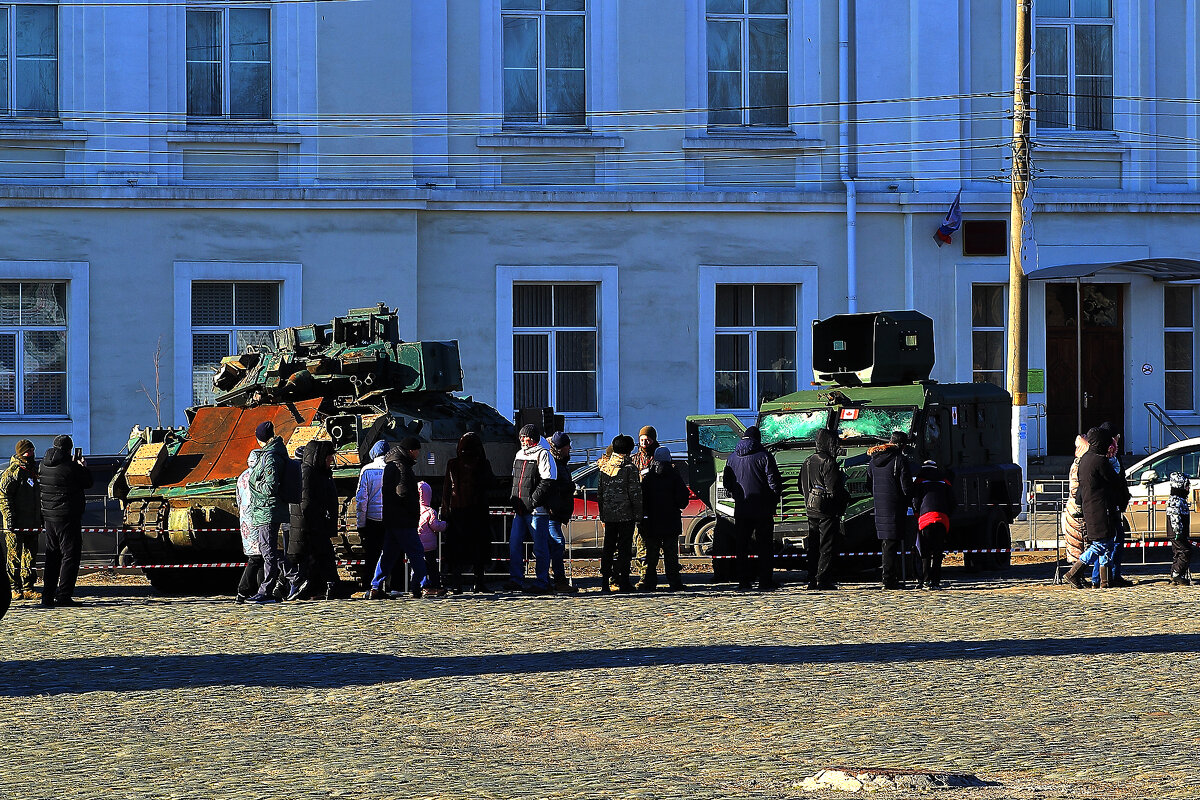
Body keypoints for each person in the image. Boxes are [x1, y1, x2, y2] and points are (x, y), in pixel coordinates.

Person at [1062, 426, 1130, 589]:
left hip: (1092, 507)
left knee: (1107, 544)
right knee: (1100, 545)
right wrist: (1113, 462)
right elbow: (1114, 479)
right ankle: (1074, 573)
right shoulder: (1099, 460)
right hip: (1100, 508)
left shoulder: (1085, 459)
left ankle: (1105, 581)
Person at [371, 438, 436, 599]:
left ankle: (375, 586)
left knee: (388, 554)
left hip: (392, 518)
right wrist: (412, 511)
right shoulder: (402, 467)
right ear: (410, 450)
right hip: (404, 519)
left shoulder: (392, 465)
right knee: (416, 552)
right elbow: (404, 493)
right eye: (417, 450)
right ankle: (423, 585)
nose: (418, 453)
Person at [722, 426, 782, 591]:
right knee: (765, 547)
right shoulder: (765, 456)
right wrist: (774, 500)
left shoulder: (731, 458)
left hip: (741, 509)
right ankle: (765, 581)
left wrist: (737, 494)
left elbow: (727, 482)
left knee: (742, 547)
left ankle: (743, 581)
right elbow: (774, 483)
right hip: (762, 509)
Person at [38, 434, 94, 607]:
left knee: (52, 556)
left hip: (49, 517)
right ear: (69, 450)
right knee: (70, 556)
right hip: (67, 517)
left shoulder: (43, 465)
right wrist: (83, 467)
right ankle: (63, 595)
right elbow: (88, 482)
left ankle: (47, 596)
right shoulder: (71, 467)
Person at [246, 421, 297, 605]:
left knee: (268, 552)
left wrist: (253, 484)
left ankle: (266, 590)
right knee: (269, 550)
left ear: (261, 438)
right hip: (264, 510)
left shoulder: (271, 457)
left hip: (268, 509)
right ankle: (294, 577)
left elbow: (270, 486)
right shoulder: (270, 454)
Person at [440, 431, 495, 593]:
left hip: (458, 514)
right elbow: (492, 483)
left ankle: (457, 584)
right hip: (478, 514)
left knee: (457, 551)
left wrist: (445, 513)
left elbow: (446, 492)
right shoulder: (483, 464)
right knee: (478, 549)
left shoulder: (453, 464)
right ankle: (479, 583)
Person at [507, 423, 556, 593]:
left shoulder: (543, 454)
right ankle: (516, 579)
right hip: (520, 510)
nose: (522, 439)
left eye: (525, 437)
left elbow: (547, 481)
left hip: (536, 511)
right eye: (521, 437)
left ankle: (542, 581)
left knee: (540, 547)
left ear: (533, 439)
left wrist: (532, 501)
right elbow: (515, 480)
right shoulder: (520, 454)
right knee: (514, 545)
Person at [799, 428, 848, 590]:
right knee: (826, 545)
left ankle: (812, 577)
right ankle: (823, 578)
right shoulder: (828, 462)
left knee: (813, 545)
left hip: (810, 508)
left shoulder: (807, 460)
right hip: (826, 510)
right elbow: (834, 490)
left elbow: (800, 486)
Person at [296, 440, 342, 600]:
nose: (331, 461)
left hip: (319, 523)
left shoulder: (321, 473)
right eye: (329, 457)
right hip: (312, 524)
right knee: (320, 557)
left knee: (322, 557)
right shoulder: (308, 472)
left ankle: (324, 587)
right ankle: (329, 586)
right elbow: (306, 501)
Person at [867, 431, 913, 590]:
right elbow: (906, 487)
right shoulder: (900, 460)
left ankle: (889, 577)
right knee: (892, 544)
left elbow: (869, 484)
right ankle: (889, 579)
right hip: (895, 506)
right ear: (902, 445)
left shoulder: (873, 461)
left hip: (880, 506)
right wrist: (910, 501)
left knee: (887, 543)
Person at [638, 445, 687, 592]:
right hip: (671, 521)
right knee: (671, 555)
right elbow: (683, 500)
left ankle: (649, 582)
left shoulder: (648, 477)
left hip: (652, 522)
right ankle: (675, 583)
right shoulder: (675, 476)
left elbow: (642, 500)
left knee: (651, 556)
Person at [598, 435, 642, 592]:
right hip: (626, 516)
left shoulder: (604, 467)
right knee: (624, 550)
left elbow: (600, 494)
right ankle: (623, 581)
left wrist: (602, 514)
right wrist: (638, 515)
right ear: (629, 450)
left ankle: (605, 582)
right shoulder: (630, 469)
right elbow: (635, 494)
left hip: (609, 516)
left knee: (608, 549)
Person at [2, 439, 41, 601]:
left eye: (32, 450)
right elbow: (4, 497)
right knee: (14, 557)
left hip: (32, 523)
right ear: (21, 453)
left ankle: (28, 587)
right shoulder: (12, 472)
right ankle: (13, 587)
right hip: (15, 524)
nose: (31, 454)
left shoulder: (33, 471)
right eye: (28, 451)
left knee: (30, 556)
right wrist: (9, 517)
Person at [1096, 422, 1132, 588]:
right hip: (1110, 505)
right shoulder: (1108, 456)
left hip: (1113, 504)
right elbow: (1115, 481)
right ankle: (1105, 576)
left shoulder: (1110, 454)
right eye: (1117, 437)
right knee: (1110, 542)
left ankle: (1107, 576)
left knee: (1110, 542)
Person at [911, 460, 956, 590]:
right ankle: (936, 581)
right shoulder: (945, 482)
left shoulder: (919, 482)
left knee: (924, 552)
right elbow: (953, 502)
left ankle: (925, 580)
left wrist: (916, 513)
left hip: (925, 519)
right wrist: (947, 515)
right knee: (937, 553)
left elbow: (915, 500)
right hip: (942, 519)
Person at [545, 431, 579, 594]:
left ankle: (553, 579)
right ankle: (558, 580)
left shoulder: (560, 463)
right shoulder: (554, 463)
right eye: (567, 446)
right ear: (560, 448)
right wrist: (567, 488)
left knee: (553, 546)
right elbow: (550, 486)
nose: (570, 449)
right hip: (553, 512)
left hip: (557, 513)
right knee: (557, 544)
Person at [355, 440, 391, 592]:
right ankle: (389, 585)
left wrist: (360, 524)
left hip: (371, 520)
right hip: (389, 519)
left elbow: (361, 500)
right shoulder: (393, 468)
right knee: (390, 553)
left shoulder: (366, 470)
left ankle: (368, 584)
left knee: (371, 554)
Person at [630, 425, 660, 577]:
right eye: (642, 440)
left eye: (647, 440)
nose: (644, 443)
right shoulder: (634, 459)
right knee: (641, 544)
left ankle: (651, 575)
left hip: (656, 508)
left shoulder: (660, 457)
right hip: (639, 508)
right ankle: (644, 575)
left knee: (654, 545)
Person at [235, 451, 264, 603]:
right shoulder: (259, 476)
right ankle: (243, 589)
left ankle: (261, 590)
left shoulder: (242, 477)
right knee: (256, 557)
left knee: (258, 557)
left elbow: (238, 500)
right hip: (258, 519)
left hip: (246, 521)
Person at [1061, 434, 1090, 566]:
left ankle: (1077, 574)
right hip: (1077, 507)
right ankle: (1075, 575)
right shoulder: (1080, 465)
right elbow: (1075, 488)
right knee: (1078, 544)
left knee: (1077, 545)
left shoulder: (1079, 463)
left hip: (1075, 506)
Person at [417, 480, 447, 591]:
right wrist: (445, 524)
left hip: (417, 543)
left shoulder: (414, 510)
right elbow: (435, 526)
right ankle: (436, 585)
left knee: (418, 566)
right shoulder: (430, 511)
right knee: (432, 566)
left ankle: (420, 584)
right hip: (429, 546)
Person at [1166, 471, 1195, 586]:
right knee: (1184, 551)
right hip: (1176, 532)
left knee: (1178, 552)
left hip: (1179, 531)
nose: (1188, 489)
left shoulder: (1180, 500)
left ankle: (1176, 573)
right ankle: (1177, 573)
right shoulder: (1175, 500)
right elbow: (1174, 516)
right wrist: (1178, 531)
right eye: (1186, 486)